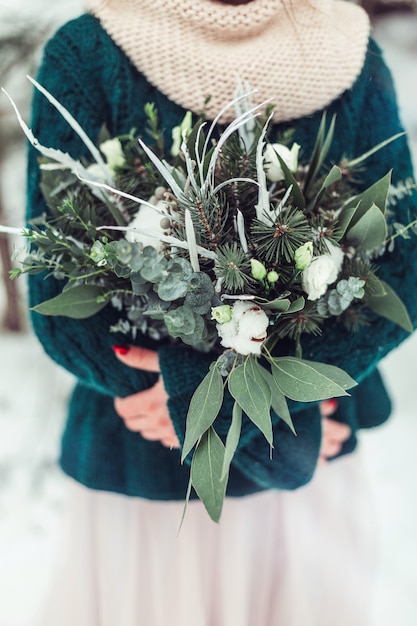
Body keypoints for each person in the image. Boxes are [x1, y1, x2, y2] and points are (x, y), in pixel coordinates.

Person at [26, 1, 416, 624]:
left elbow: (397, 266)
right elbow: (56, 283)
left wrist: (229, 409)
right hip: (157, 469)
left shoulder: (348, 50)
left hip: (302, 460)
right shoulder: (89, 51)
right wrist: (206, 406)